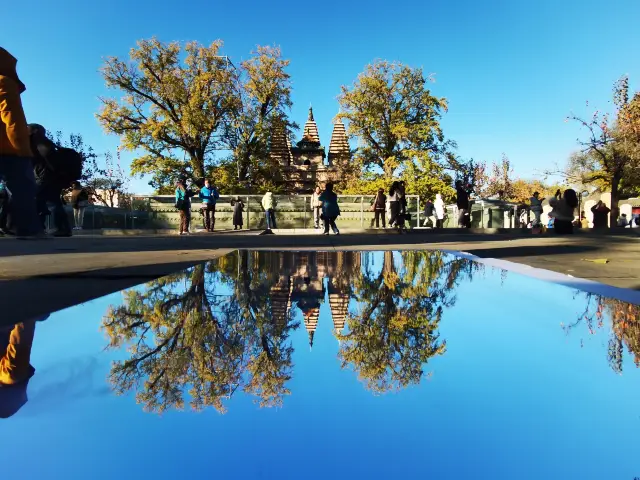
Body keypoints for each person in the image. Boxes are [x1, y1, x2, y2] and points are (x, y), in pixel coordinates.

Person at [0, 48, 43, 238]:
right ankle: (27, 229)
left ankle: (11, 226)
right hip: (9, 148)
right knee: (23, 189)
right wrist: (22, 149)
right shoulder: (4, 82)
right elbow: (12, 118)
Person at [29, 124, 74, 237]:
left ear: (35, 131)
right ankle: (59, 228)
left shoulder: (39, 142)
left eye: (27, 128)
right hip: (49, 177)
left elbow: (45, 160)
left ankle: (55, 228)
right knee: (47, 201)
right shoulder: (43, 142)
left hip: (46, 177)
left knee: (45, 201)